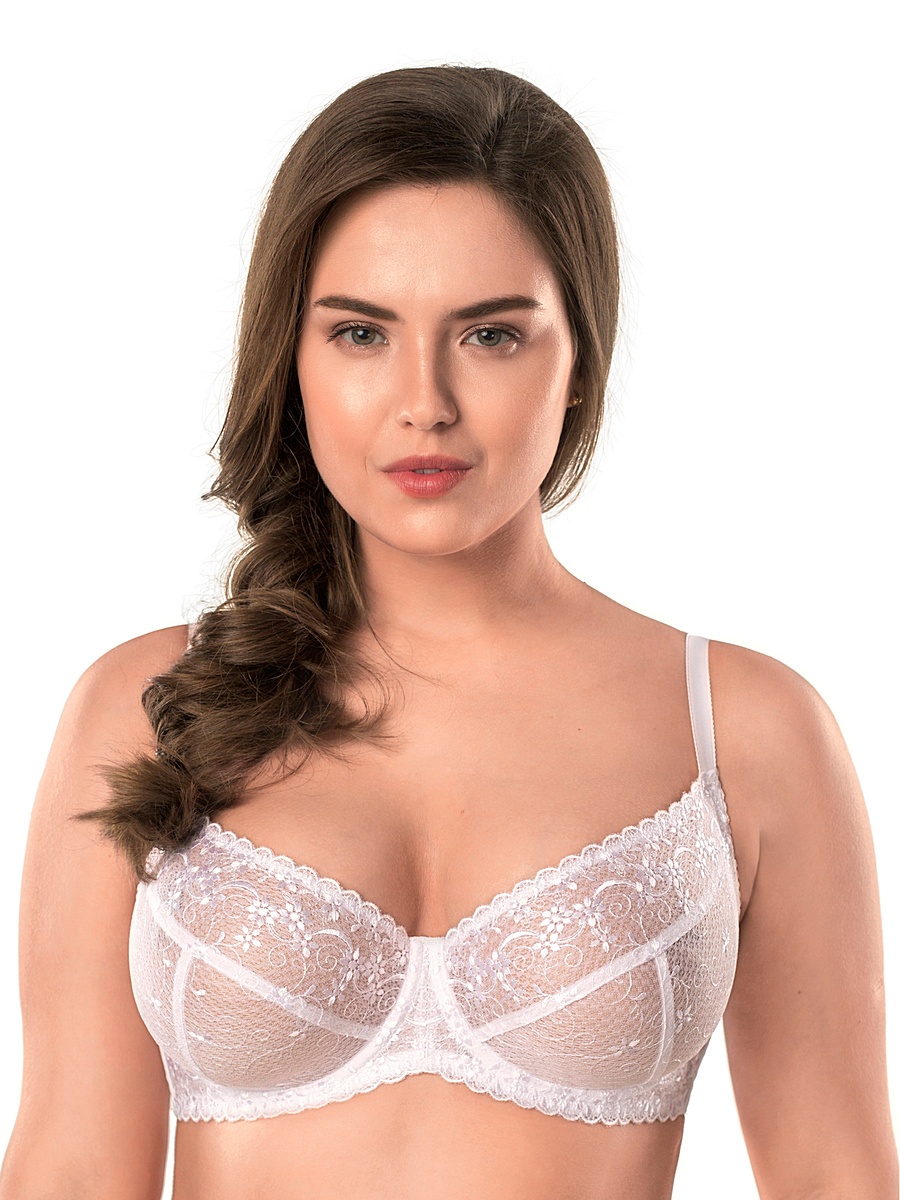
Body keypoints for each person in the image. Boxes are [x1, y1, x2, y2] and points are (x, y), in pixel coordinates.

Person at [0, 64, 895, 1200]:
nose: (423, 402)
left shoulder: (747, 729)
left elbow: (835, 1175)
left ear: (580, 361)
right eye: (361, 333)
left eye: (491, 336)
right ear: (292, 359)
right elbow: (73, 1168)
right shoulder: (148, 707)